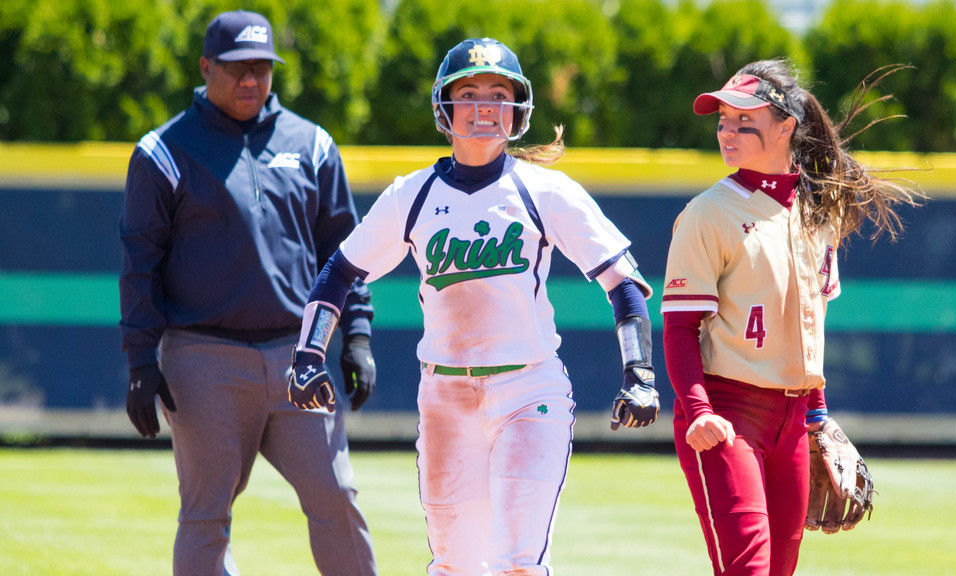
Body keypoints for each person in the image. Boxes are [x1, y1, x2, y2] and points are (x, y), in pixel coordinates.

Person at [285, 37, 660, 575]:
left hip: (529, 391)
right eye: (469, 92)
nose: (485, 106)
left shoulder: (545, 191)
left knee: (519, 562)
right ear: (445, 108)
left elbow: (622, 282)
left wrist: (640, 369)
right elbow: (339, 273)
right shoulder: (410, 196)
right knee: (454, 564)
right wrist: (307, 355)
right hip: (445, 397)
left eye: (499, 94)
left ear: (518, 109)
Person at [118, 10, 378, 575]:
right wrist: (141, 361)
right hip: (203, 358)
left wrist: (357, 334)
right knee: (206, 515)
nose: (250, 81)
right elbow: (140, 265)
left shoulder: (311, 145)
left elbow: (347, 251)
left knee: (336, 498)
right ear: (206, 67)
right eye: (237, 69)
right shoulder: (163, 152)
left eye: (261, 68)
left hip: (299, 357)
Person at [661, 60, 921, 576]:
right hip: (726, 414)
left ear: (786, 127)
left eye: (744, 121)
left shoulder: (813, 211)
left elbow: (811, 320)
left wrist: (818, 416)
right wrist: (698, 410)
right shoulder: (707, 214)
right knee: (748, 569)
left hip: (794, 421)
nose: (727, 132)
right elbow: (679, 328)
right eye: (723, 122)